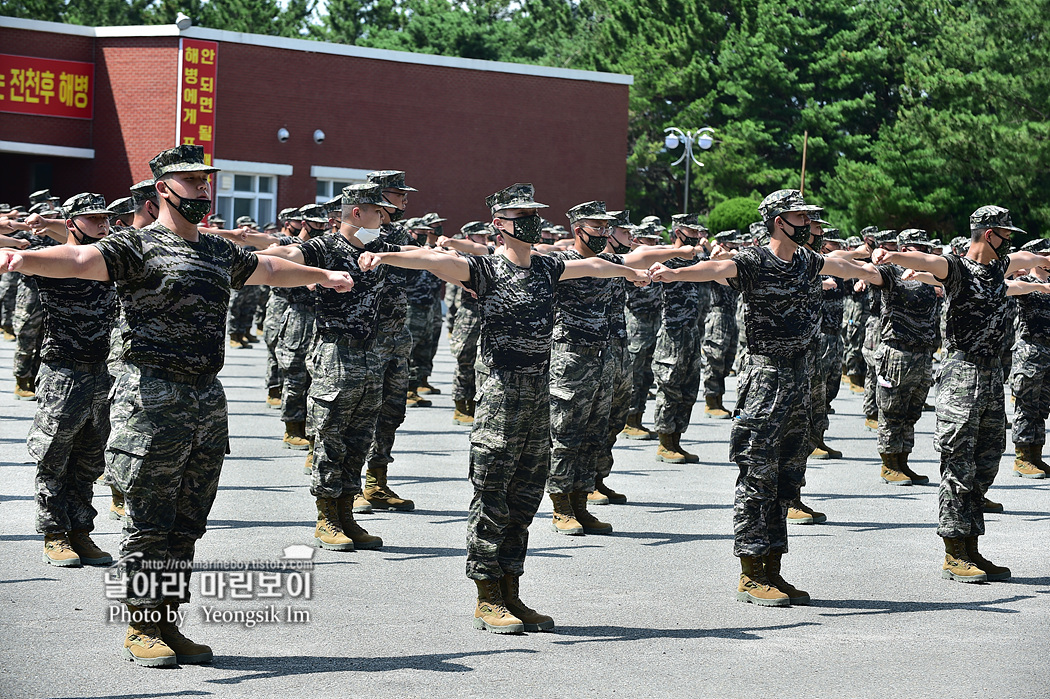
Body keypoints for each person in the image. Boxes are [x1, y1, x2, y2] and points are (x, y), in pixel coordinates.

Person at [0, 144, 354, 667]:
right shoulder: (136, 247)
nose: (203, 190)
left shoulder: (215, 251)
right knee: (148, 518)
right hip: (152, 398)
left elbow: (270, 271)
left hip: (206, 399)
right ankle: (141, 626)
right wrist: (22, 256)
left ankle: (167, 620)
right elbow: (78, 259)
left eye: (206, 181)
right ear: (164, 188)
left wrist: (321, 276)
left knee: (189, 520)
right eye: (191, 182)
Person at [358, 183, 649, 634]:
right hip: (501, 399)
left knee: (526, 498)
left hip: (539, 395)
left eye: (535, 213)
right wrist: (387, 256)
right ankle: (487, 597)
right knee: (492, 494)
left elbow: (593, 263)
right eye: (521, 215)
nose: (532, 221)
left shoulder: (550, 266)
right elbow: (435, 261)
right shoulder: (485, 269)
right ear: (499, 224)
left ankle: (512, 591)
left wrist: (628, 273)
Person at [650, 189, 873, 607]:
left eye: (809, 218)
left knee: (788, 476)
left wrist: (878, 264)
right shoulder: (754, 261)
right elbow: (715, 268)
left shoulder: (806, 260)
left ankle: (774, 567)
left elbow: (838, 263)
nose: (808, 224)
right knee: (758, 474)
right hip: (766, 377)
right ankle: (751, 573)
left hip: (800, 375)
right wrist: (675, 273)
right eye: (800, 218)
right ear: (778, 221)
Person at [872, 205, 1050, 584]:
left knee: (988, 458)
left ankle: (972, 545)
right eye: (1005, 234)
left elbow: (1032, 257)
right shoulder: (956, 267)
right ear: (989, 234)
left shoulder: (999, 268)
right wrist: (895, 254)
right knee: (958, 461)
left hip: (991, 374)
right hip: (961, 372)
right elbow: (928, 260)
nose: (1009, 242)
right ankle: (955, 551)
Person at [30, 193, 117, 568]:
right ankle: (54, 533)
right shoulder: (53, 260)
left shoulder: (116, 261)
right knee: (54, 456)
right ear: (71, 223)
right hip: (63, 372)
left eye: (105, 218)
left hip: (104, 373)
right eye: (93, 219)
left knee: (90, 459)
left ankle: (81, 531)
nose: (102, 225)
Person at [1010, 238, 1050, 479]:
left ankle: (1036, 455)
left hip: (1049, 351)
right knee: (1026, 405)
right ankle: (1022, 457)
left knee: (1042, 407)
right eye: (1043, 255)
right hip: (1030, 351)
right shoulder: (1024, 281)